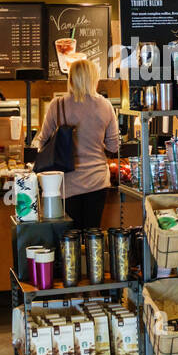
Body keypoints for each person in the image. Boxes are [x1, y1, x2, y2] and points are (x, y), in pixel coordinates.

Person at [33, 57, 120, 230]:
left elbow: (41, 142)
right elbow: (113, 146)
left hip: (67, 183)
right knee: (92, 234)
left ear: (70, 79)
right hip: (97, 181)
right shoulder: (106, 105)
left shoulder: (57, 105)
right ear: (93, 78)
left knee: (70, 237)